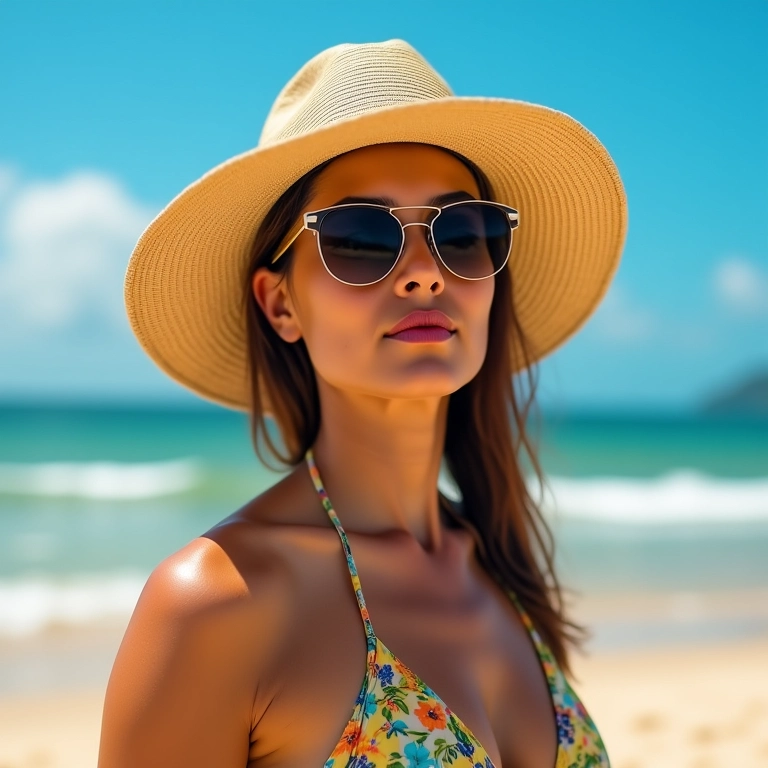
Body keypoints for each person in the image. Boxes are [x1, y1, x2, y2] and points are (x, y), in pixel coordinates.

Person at [99, 40, 626, 768]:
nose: (422, 274)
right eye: (360, 237)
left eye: (461, 234)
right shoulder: (219, 602)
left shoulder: (500, 570)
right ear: (280, 303)